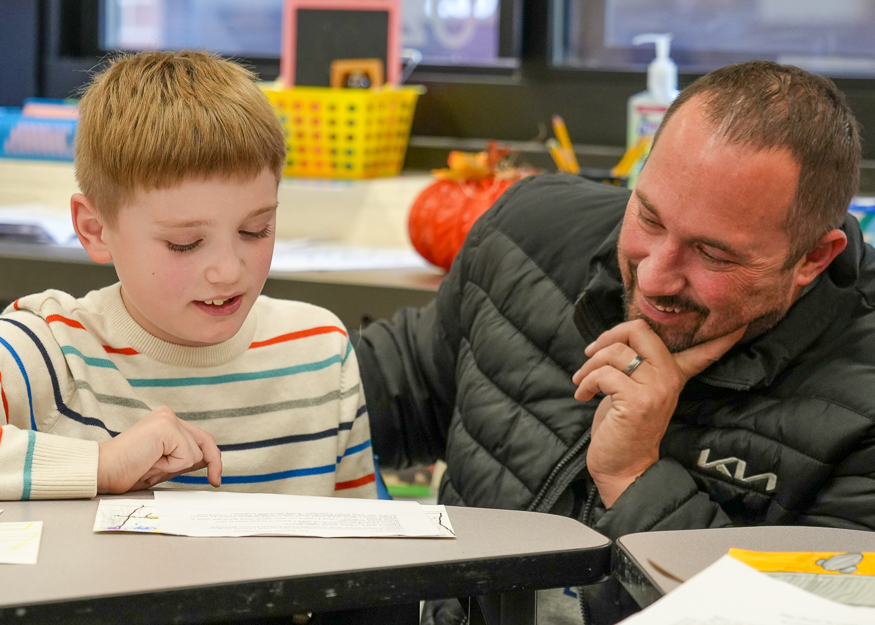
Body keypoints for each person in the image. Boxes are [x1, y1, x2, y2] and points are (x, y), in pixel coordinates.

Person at [355, 60, 873, 623]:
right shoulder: (531, 235)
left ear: (814, 257)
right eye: (649, 218)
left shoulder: (860, 401)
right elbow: (384, 388)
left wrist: (634, 477)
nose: (653, 278)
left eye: (713, 254)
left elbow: (798, 615)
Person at [0, 50, 376, 501]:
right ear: (95, 230)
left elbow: (362, 546)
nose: (228, 271)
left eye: (255, 230)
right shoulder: (45, 349)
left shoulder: (321, 351)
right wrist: (100, 465)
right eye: (185, 243)